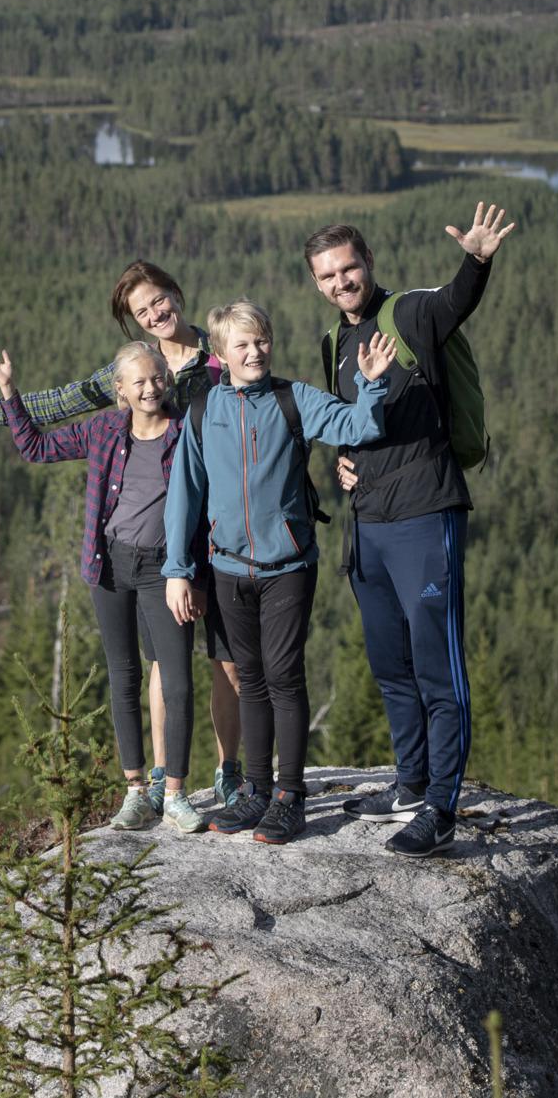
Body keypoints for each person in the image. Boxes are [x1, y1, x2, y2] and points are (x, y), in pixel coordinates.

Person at [0, 261, 247, 811]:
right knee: (165, 662)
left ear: (176, 294)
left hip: (218, 532)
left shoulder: (219, 358)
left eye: (159, 301)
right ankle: (164, 780)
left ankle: (230, 770)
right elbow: (58, 406)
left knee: (227, 659)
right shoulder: (132, 372)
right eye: (142, 311)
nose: (155, 314)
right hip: (159, 549)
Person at [306, 203, 516, 858]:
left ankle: (442, 807)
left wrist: (477, 259)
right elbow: (350, 417)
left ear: (368, 263)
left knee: (437, 668)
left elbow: (458, 299)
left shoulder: (412, 313)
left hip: (426, 514)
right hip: (367, 526)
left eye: (349, 268)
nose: (342, 282)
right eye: (328, 275)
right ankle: (409, 781)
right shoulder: (334, 342)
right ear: (317, 283)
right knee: (391, 664)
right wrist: (342, 458)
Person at [163, 301, 394, 846]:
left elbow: (359, 425)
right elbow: (184, 495)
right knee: (252, 679)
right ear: (220, 353)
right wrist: (178, 568)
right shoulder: (201, 410)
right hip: (226, 567)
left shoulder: (295, 399)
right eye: (242, 344)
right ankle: (257, 792)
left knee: (285, 677)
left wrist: (373, 386)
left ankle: (290, 797)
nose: (255, 351)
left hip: (288, 564)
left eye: (261, 340)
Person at [0, 338, 208, 833]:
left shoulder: (187, 430)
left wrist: (190, 572)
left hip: (165, 571)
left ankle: (173, 792)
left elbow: (209, 502)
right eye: (138, 382)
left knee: (176, 679)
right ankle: (134, 791)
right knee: (123, 673)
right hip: (109, 566)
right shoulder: (105, 428)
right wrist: (8, 390)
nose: (149, 388)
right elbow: (35, 447)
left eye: (156, 378)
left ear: (166, 381)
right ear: (120, 390)